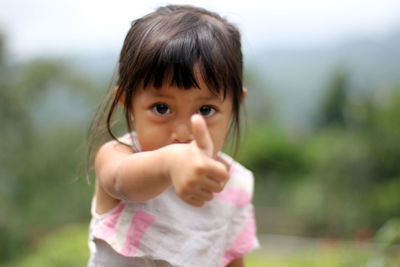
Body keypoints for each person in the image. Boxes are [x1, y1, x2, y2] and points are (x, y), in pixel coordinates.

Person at [87, 4, 259, 267]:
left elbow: (232, 259)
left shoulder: (233, 185)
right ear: (127, 103)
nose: (183, 133)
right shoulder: (119, 156)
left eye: (205, 110)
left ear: (235, 104)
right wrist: (170, 163)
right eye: (162, 108)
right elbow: (120, 180)